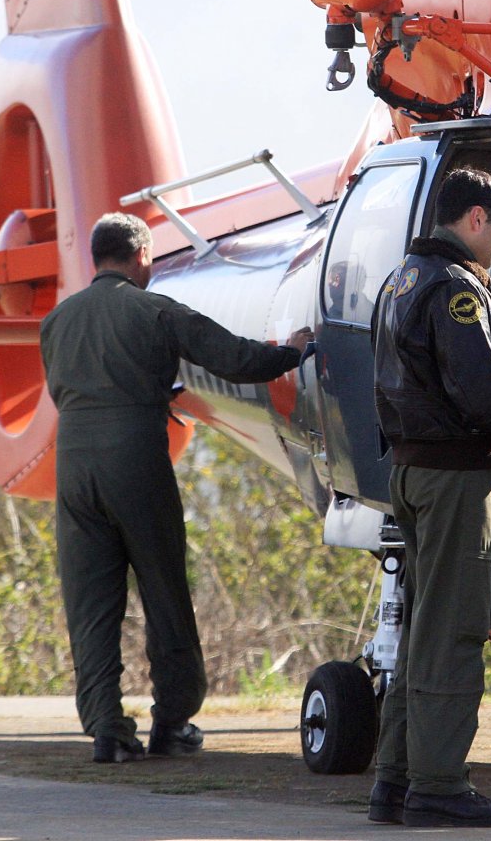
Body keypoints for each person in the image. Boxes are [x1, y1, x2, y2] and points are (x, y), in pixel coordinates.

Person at [40, 213, 314, 764]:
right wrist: (294, 351)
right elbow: (236, 359)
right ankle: (172, 721)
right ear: (142, 256)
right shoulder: (154, 309)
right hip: (135, 460)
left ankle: (107, 732)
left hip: (71, 468)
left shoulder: (57, 320)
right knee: (163, 591)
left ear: (97, 258)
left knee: (90, 604)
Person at [368, 168, 491, 828]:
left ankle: (397, 777)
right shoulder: (455, 289)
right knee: (452, 630)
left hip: (411, 471)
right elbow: (477, 382)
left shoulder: (401, 279)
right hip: (454, 479)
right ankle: (438, 784)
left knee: (421, 629)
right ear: (474, 219)